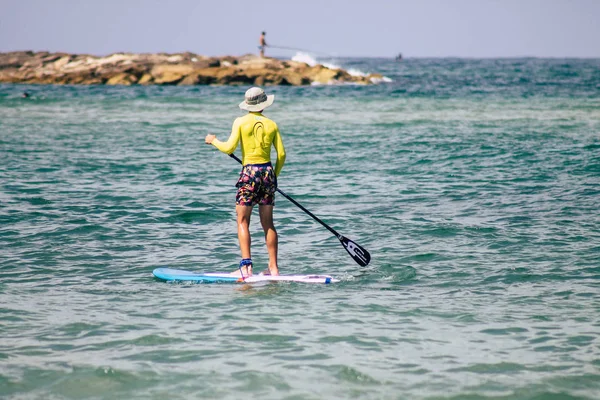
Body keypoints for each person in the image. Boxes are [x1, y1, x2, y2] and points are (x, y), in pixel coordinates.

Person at [205, 87, 286, 277]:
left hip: (249, 172)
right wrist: (274, 177)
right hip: (267, 172)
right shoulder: (272, 124)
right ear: (264, 104)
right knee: (268, 223)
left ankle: (246, 267)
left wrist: (214, 140)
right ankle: (273, 268)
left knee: (242, 221)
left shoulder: (240, 122)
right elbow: (281, 154)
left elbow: (229, 148)